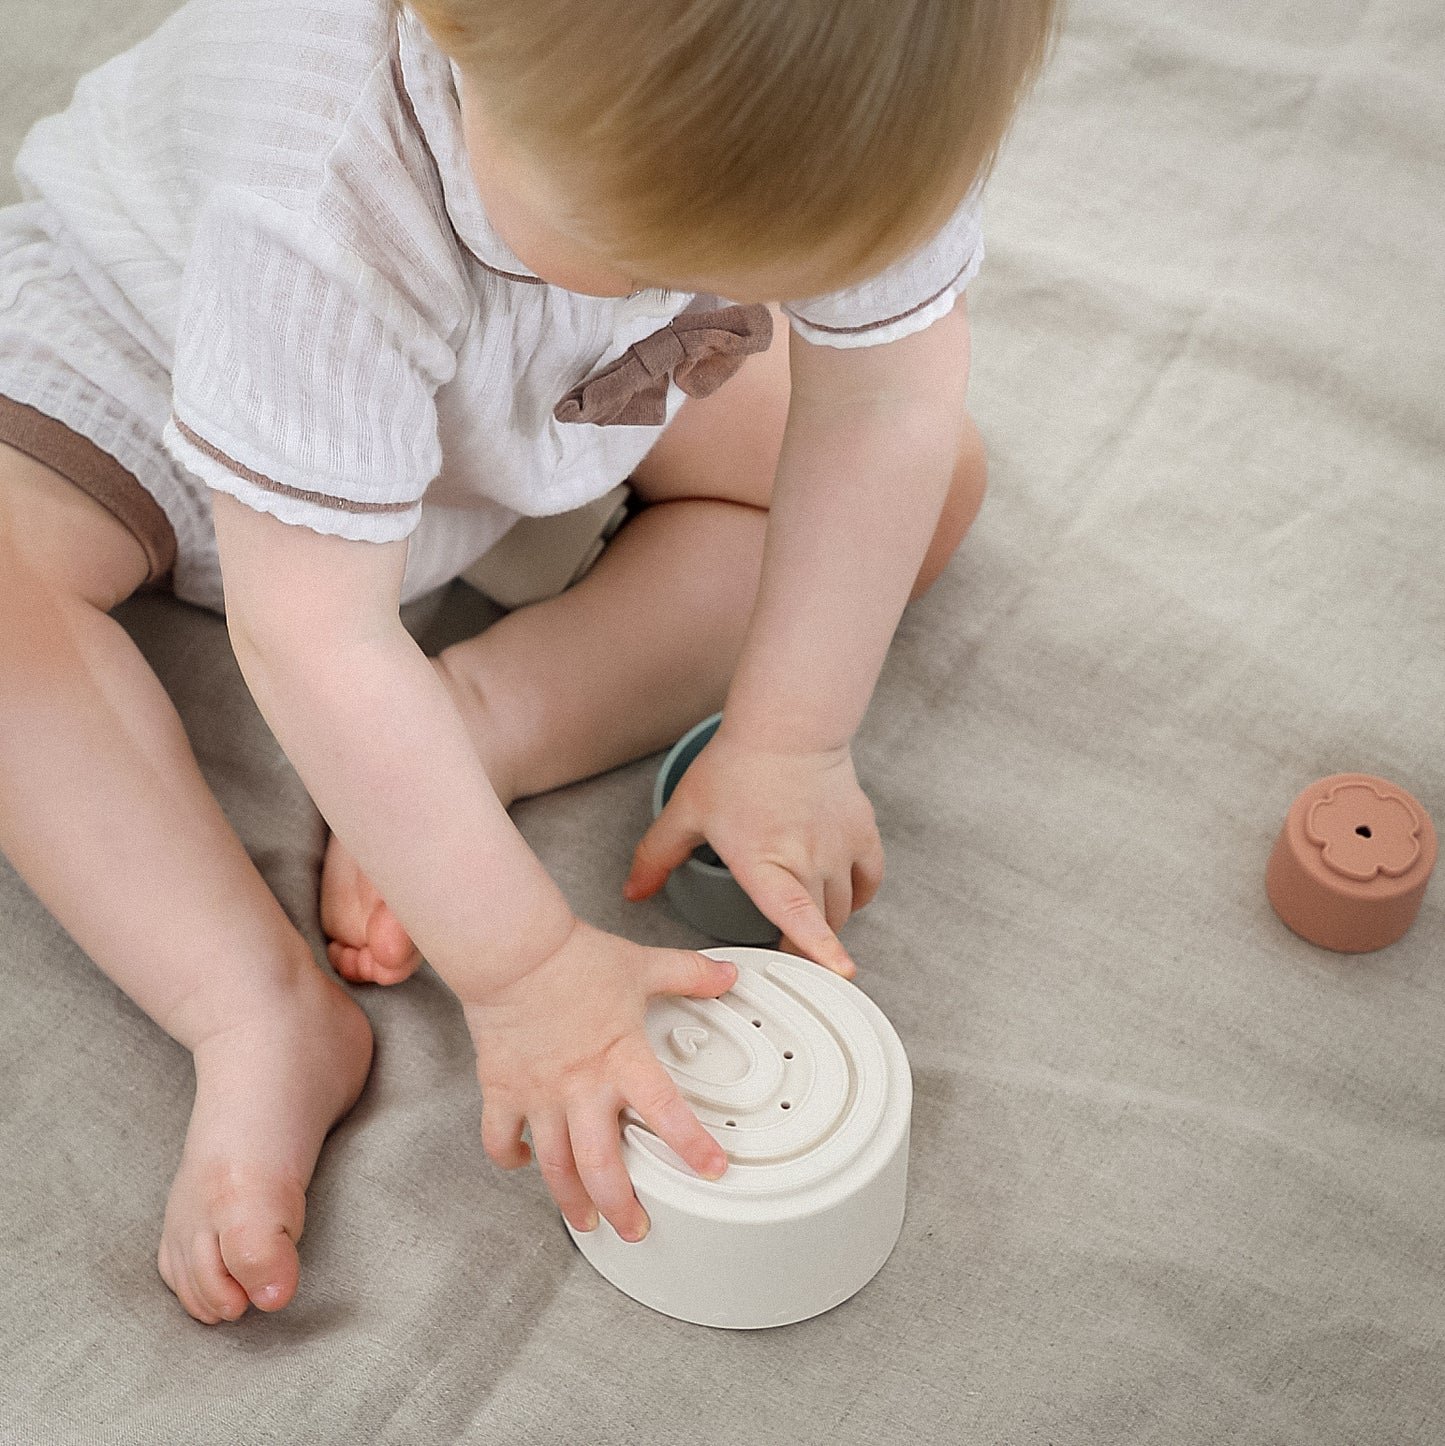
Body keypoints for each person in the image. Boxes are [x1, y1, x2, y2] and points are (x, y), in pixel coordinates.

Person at [0, 0, 1057, 1323]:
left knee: (925, 482)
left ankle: (483, 717)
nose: (681, 271)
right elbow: (310, 629)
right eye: (636, 242)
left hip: (543, 391)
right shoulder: (316, 184)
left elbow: (889, 403)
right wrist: (522, 968)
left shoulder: (871, 107)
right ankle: (252, 1004)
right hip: (150, 364)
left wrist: (793, 735)